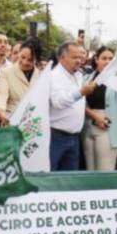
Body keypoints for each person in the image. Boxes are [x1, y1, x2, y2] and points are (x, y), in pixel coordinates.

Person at [48, 41, 97, 171]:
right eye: (74, 57)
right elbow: (58, 102)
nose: (79, 60)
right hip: (56, 136)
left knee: (69, 179)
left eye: (81, 57)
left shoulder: (79, 74)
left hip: (74, 137)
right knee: (51, 176)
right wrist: (81, 92)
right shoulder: (53, 76)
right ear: (61, 58)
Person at [82, 47, 117, 171]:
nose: (108, 61)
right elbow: (78, 103)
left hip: (108, 126)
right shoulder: (86, 79)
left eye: (111, 58)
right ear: (96, 59)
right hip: (87, 127)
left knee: (105, 170)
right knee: (90, 170)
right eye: (104, 58)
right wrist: (93, 115)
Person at [0, 42, 41, 124]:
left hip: (34, 122)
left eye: (30, 60)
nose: (24, 62)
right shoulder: (6, 72)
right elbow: (1, 94)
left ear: (36, 60)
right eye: (22, 57)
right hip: (12, 119)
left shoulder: (40, 75)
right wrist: (1, 112)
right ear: (19, 53)